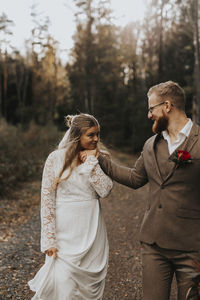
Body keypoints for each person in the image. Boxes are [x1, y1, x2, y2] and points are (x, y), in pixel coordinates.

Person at [80, 81, 200, 300]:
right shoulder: (150, 145)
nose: (149, 115)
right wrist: (102, 161)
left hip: (192, 247)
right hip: (154, 245)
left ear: (167, 106)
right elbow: (135, 178)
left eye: (151, 108)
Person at [28, 113, 113, 300]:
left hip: (91, 230)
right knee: (63, 283)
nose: (96, 139)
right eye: (91, 135)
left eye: (98, 134)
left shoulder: (98, 158)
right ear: (77, 135)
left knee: (88, 290)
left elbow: (105, 190)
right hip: (64, 233)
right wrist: (49, 239)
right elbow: (47, 199)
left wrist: (92, 162)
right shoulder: (55, 159)